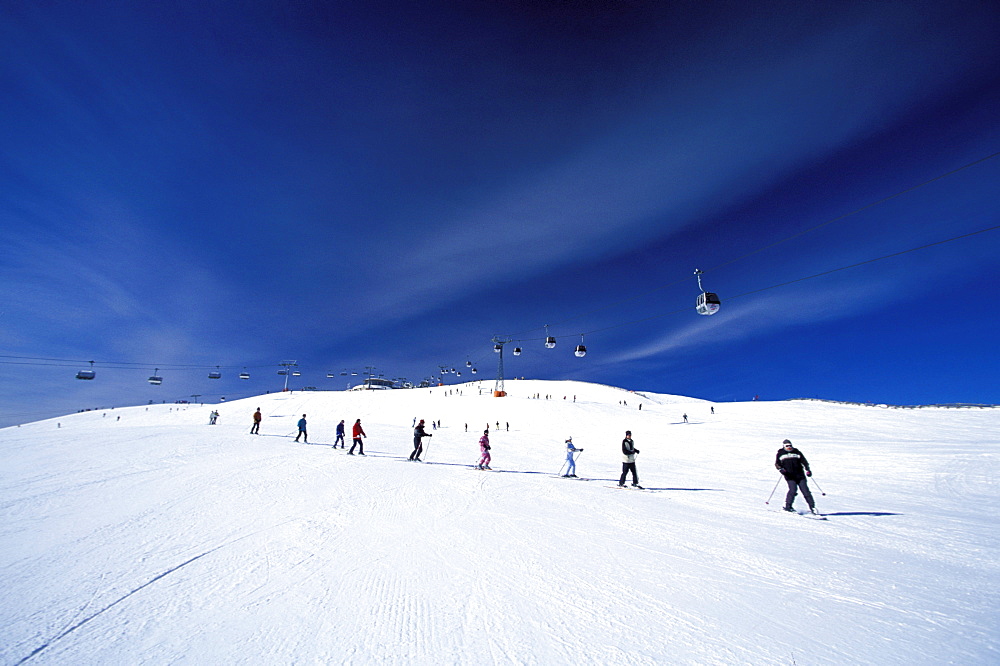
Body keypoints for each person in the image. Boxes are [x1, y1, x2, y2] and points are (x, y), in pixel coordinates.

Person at [775, 439, 817, 514]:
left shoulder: (797, 452)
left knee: (806, 491)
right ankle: (788, 507)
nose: (789, 447)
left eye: (790, 445)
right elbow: (777, 463)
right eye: (787, 446)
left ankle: (813, 508)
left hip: (800, 475)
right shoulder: (781, 453)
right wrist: (781, 469)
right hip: (789, 476)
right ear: (784, 446)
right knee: (793, 490)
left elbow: (804, 461)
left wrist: (808, 470)